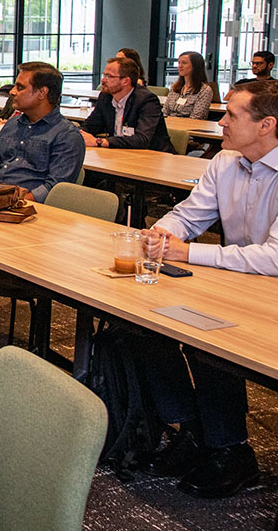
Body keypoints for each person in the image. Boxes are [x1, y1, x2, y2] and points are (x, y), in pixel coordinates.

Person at [137, 79, 278, 499]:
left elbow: (274, 258)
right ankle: (196, 428)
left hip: (268, 288)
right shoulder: (225, 161)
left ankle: (230, 449)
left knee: (209, 344)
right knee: (141, 325)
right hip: (238, 280)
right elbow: (189, 214)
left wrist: (189, 255)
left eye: (232, 115)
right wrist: (162, 234)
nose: (221, 122)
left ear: (267, 124)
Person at [0, 62, 84, 202]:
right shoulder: (13, 124)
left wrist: (16, 200)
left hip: (28, 208)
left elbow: (55, 188)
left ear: (42, 93)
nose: (12, 91)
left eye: (20, 87)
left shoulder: (67, 135)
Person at [80, 56, 175, 152]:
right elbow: (90, 126)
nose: (103, 80)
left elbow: (142, 139)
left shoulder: (147, 100)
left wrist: (100, 142)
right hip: (119, 154)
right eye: (103, 75)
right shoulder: (105, 97)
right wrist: (77, 134)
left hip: (154, 156)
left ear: (126, 81)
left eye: (109, 76)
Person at [164, 51, 216, 120]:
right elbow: (165, 110)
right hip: (169, 125)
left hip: (186, 127)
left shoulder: (204, 90)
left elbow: (197, 117)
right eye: (179, 63)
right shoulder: (175, 88)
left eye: (184, 63)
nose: (180, 66)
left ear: (195, 66)